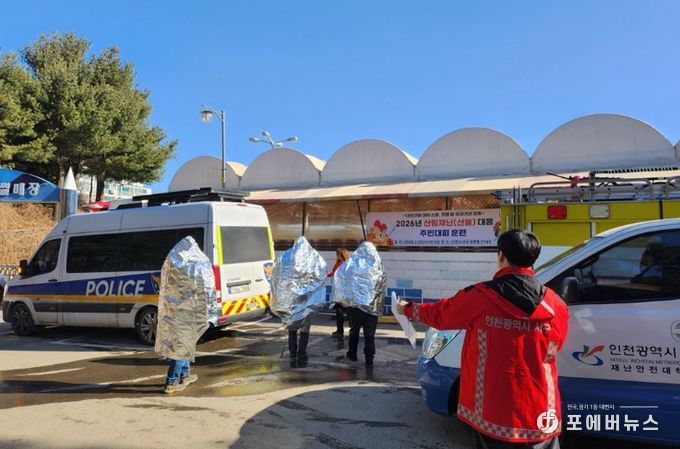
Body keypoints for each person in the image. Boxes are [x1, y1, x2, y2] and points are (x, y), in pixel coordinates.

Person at [396, 230, 569, 449]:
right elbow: (554, 346)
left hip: (490, 412)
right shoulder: (555, 304)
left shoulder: (480, 297)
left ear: (501, 256)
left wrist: (407, 309)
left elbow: (440, 315)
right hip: (540, 410)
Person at [155, 236, 216, 394]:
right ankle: (171, 381)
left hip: (175, 312)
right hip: (191, 312)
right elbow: (208, 289)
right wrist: (211, 311)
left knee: (185, 344)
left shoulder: (173, 263)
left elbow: (165, 288)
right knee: (181, 347)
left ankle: (185, 374)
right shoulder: (201, 264)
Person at [328, 248, 349, 338]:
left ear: (343, 255)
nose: (338, 256)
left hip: (344, 292)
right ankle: (340, 331)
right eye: (337, 254)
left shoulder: (347, 264)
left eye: (339, 254)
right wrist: (329, 274)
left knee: (343, 312)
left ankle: (343, 331)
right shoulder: (338, 264)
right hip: (339, 292)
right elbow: (334, 273)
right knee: (339, 312)